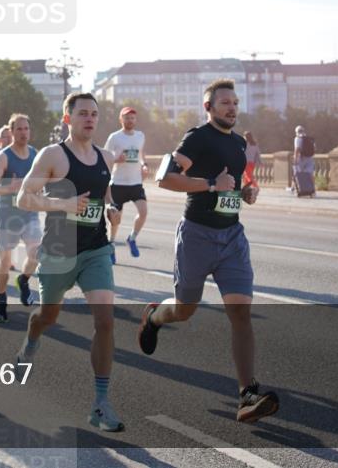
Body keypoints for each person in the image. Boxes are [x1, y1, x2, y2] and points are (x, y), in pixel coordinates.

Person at [139, 78, 279, 424]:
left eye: (235, 102)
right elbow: (165, 178)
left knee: (241, 312)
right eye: (224, 103)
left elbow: (232, 183)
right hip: (198, 235)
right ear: (209, 108)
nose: (232, 108)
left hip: (232, 237)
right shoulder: (196, 137)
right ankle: (155, 316)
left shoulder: (238, 144)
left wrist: (244, 194)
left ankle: (247, 393)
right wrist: (211, 185)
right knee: (185, 309)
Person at [15, 92, 124, 432]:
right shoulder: (53, 155)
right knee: (48, 316)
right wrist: (62, 205)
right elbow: (23, 198)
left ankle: (100, 403)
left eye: (94, 114)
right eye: (82, 114)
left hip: (96, 249)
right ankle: (29, 346)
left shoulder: (106, 157)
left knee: (105, 320)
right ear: (67, 118)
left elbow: (103, 193)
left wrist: (111, 207)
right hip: (60, 251)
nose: (89, 119)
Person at [0, 114, 42, 321]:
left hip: (29, 214)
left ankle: (24, 280)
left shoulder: (36, 154)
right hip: (7, 217)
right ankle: (2, 299)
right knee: (5, 260)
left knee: (36, 252)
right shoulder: (4, 156)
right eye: (19, 129)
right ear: (12, 132)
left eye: (26, 129)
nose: (23, 133)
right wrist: (10, 188)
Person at [104, 107, 150, 260]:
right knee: (116, 219)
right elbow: (106, 158)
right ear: (121, 119)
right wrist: (117, 160)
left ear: (135, 120)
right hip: (118, 183)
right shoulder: (114, 137)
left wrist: (144, 164)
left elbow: (141, 154)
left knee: (143, 212)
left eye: (132, 118)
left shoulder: (140, 136)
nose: (130, 120)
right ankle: (111, 244)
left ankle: (132, 238)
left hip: (135, 182)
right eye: (126, 118)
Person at [292, 125, 315, 195]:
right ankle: (312, 190)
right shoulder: (309, 139)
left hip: (301, 158)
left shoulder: (297, 138)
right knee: (309, 174)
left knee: (297, 173)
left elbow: (297, 149)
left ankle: (297, 189)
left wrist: (295, 159)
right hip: (310, 158)